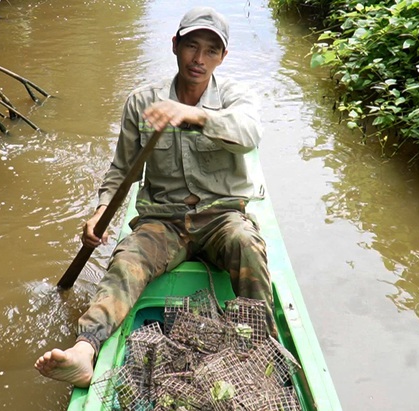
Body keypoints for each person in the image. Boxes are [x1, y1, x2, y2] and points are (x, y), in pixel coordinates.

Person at [35, 6, 273, 388]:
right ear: (175, 45)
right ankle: (84, 350)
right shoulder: (142, 102)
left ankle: (260, 351)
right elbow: (120, 171)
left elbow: (248, 135)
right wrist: (99, 214)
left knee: (247, 244)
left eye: (211, 51)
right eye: (191, 46)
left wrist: (193, 116)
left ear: (223, 58)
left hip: (222, 217)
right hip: (164, 221)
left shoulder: (235, 96)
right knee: (128, 259)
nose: (199, 59)